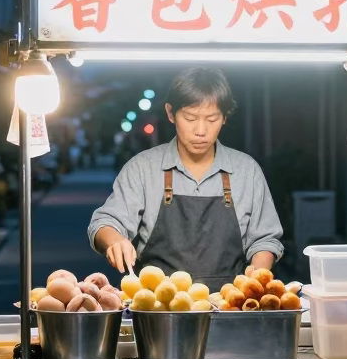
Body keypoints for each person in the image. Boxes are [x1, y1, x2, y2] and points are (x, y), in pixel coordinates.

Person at [88, 67, 284, 285]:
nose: (201, 130)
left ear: (225, 117)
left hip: (229, 306)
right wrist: (114, 240)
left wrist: (256, 277)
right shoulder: (142, 168)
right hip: (157, 308)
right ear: (171, 113)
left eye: (212, 119)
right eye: (190, 118)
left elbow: (265, 239)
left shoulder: (247, 171)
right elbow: (105, 221)